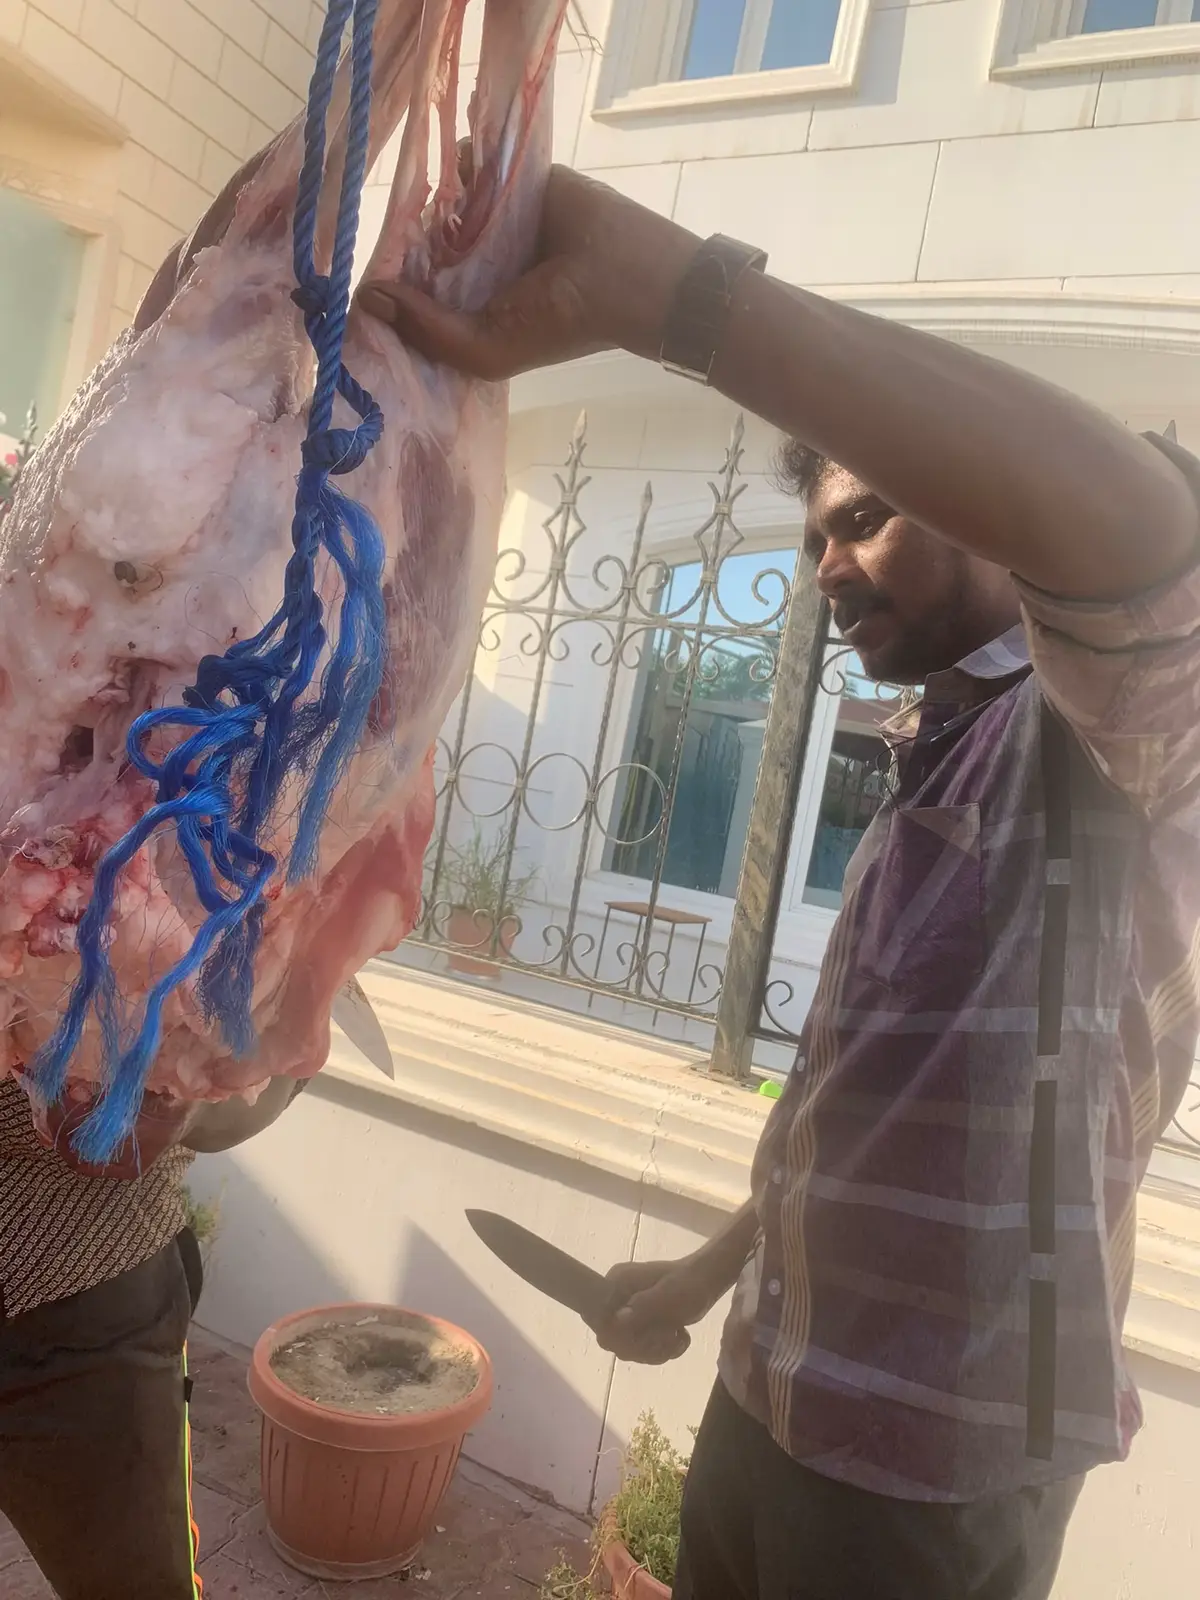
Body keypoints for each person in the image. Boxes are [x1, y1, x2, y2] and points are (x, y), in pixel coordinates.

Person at [361, 167, 1200, 1599]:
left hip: (936, 1462)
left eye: (867, 520)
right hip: (772, 1395)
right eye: (815, 538)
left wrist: (677, 298)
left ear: (987, 517)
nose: (828, 568)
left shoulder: (1111, 741)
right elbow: (859, 1117)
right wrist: (708, 1276)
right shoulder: (927, 767)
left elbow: (1142, 540)